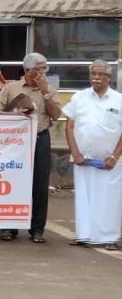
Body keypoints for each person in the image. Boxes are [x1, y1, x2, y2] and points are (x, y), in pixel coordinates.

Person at [0, 52, 61, 244]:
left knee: (39, 185)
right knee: (13, 182)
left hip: (40, 139)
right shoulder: (11, 87)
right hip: (16, 142)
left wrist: (45, 91)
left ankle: (37, 229)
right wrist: (12, 115)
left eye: (45, 68)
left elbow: (55, 115)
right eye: (40, 69)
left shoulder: (50, 89)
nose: (44, 72)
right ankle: (9, 227)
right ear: (29, 70)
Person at [64, 60, 122, 251]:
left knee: (109, 199)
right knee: (84, 198)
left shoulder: (118, 100)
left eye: (100, 74)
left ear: (109, 77)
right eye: (93, 74)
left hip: (111, 162)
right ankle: (84, 235)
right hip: (83, 160)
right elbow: (69, 126)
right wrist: (75, 153)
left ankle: (110, 237)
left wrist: (114, 157)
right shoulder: (79, 97)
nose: (96, 77)